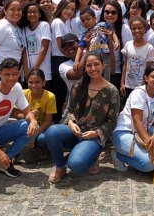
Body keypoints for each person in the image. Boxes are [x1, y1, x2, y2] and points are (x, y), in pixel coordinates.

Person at [44, 53, 120, 183]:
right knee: (51, 132)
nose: (93, 68)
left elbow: (112, 121)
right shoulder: (78, 86)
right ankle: (60, 167)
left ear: (103, 66)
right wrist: (71, 122)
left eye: (96, 64)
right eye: (89, 65)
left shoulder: (111, 91)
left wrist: (96, 133)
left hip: (94, 136)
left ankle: (91, 156)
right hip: (76, 130)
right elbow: (70, 109)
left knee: (77, 166)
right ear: (84, 68)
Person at [111, 65, 154, 174]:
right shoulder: (138, 93)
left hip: (144, 130)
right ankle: (118, 155)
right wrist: (149, 143)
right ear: (146, 78)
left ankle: (150, 153)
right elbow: (137, 121)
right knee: (149, 165)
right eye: (153, 77)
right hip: (126, 132)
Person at [73, 8, 117, 81]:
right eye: (83, 21)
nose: (86, 22)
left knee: (106, 78)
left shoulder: (102, 25)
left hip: (105, 56)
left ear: (95, 18)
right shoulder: (86, 34)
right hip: (93, 58)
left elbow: (112, 33)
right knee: (93, 77)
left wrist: (116, 41)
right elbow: (80, 47)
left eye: (88, 19)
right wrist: (76, 60)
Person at [121, 17, 154, 98]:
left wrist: (145, 84)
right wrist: (122, 83)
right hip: (128, 85)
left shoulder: (149, 48)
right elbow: (125, 64)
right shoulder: (128, 45)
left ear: (145, 29)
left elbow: (150, 70)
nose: (137, 30)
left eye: (140, 28)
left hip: (141, 86)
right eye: (133, 28)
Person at [19, 69, 56, 150]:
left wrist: (34, 134)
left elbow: (48, 121)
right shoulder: (23, 93)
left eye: (37, 82)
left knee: (41, 140)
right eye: (30, 82)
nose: (33, 85)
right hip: (26, 124)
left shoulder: (50, 96)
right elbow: (17, 115)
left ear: (44, 82)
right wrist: (29, 115)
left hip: (42, 127)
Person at [19, 3, 52, 86]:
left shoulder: (44, 25)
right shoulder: (24, 29)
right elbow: (24, 51)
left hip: (43, 70)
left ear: (40, 14)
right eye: (29, 12)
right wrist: (26, 69)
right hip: (27, 73)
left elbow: (44, 48)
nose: (32, 14)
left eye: (35, 12)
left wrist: (34, 69)